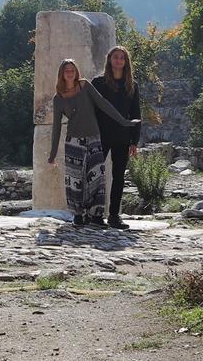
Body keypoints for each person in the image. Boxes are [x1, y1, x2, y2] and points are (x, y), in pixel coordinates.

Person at [47, 58, 140, 228]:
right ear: (61, 74)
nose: (70, 73)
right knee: (75, 179)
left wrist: (124, 122)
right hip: (74, 141)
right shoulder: (58, 98)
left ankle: (96, 216)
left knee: (97, 178)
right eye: (66, 70)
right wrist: (52, 155)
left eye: (72, 70)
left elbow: (103, 104)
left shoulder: (85, 86)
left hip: (94, 138)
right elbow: (56, 127)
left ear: (76, 72)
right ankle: (78, 215)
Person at [92, 46, 142, 230]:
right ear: (110, 59)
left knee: (118, 177)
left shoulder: (132, 86)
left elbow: (136, 114)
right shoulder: (98, 83)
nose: (119, 60)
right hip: (101, 135)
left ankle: (114, 216)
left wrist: (134, 141)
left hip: (123, 136)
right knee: (95, 175)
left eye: (122, 58)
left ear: (126, 62)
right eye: (115, 57)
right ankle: (95, 214)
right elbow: (91, 109)